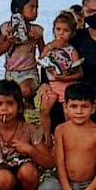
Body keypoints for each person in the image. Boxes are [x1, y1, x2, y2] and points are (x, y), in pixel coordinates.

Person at [36, 10, 83, 139]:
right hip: (52, 85)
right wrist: (51, 47)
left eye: (65, 31)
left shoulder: (72, 50)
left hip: (66, 85)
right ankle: (47, 137)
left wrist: (67, 77)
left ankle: (69, 136)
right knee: (44, 109)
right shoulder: (50, 47)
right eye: (58, 29)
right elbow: (41, 59)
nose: (61, 33)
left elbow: (79, 72)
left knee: (67, 112)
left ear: (72, 33)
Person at [0, 0, 44, 105]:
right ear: (19, 9)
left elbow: (43, 54)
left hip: (29, 72)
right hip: (11, 73)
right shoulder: (6, 28)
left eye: (37, 7)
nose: (35, 11)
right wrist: (9, 42)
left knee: (25, 90)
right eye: (31, 7)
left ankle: (28, 103)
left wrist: (36, 40)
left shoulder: (37, 30)